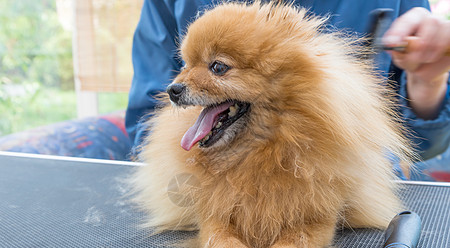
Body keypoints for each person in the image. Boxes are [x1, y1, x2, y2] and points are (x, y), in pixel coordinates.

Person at [126, 0, 450, 162]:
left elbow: (416, 145)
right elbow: (148, 119)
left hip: (347, 197)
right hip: (206, 189)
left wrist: (427, 81)